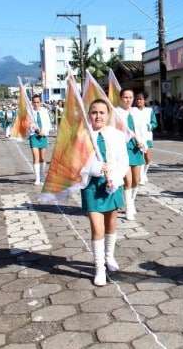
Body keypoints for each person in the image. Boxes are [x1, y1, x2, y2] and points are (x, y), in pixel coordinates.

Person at [80, 99, 129, 286]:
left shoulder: (116, 135)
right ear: (89, 115)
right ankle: (99, 268)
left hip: (113, 184)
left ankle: (109, 257)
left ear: (108, 115)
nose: (98, 116)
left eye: (102, 112)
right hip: (91, 185)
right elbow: (77, 164)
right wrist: (97, 168)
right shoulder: (83, 136)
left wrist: (114, 179)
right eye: (94, 112)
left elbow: (123, 162)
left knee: (111, 223)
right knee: (97, 226)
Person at [114, 89, 144, 220]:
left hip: (137, 148)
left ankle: (131, 201)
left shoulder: (136, 112)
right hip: (123, 148)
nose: (128, 100)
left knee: (137, 180)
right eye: (125, 97)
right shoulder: (116, 112)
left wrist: (142, 143)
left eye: (130, 97)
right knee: (128, 180)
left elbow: (141, 130)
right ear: (121, 98)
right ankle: (129, 208)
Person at [133, 92, 157, 185]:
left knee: (147, 157)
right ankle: (141, 177)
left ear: (144, 100)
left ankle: (144, 173)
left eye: (141, 99)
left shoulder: (149, 111)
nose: (139, 101)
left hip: (147, 137)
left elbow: (154, 123)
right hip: (137, 137)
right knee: (139, 157)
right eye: (137, 99)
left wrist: (149, 126)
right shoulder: (132, 110)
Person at [29, 95, 52, 185]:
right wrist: (33, 128)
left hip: (43, 136)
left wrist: (44, 131)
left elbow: (48, 123)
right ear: (32, 103)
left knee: (42, 158)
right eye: (34, 102)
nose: (36, 104)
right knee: (36, 157)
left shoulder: (44, 111)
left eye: (38, 102)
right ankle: (37, 178)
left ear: (40, 102)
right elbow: (28, 124)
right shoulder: (30, 112)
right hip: (33, 136)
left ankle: (42, 176)